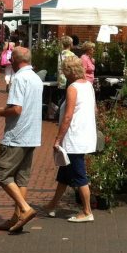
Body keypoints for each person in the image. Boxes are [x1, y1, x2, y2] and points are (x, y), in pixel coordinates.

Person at [0, 47, 42, 233]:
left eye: (11, 58)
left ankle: (25, 208)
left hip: (17, 135)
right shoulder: (36, 78)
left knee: (1, 174)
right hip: (32, 135)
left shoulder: (19, 78)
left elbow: (17, 109)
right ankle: (17, 218)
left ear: (15, 60)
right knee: (21, 178)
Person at [44, 57, 97, 223]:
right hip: (85, 135)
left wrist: (58, 138)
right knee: (65, 174)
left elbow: (68, 116)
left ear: (69, 71)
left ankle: (87, 211)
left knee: (79, 174)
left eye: (64, 71)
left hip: (74, 137)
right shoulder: (88, 85)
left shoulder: (73, 88)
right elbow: (95, 110)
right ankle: (52, 205)